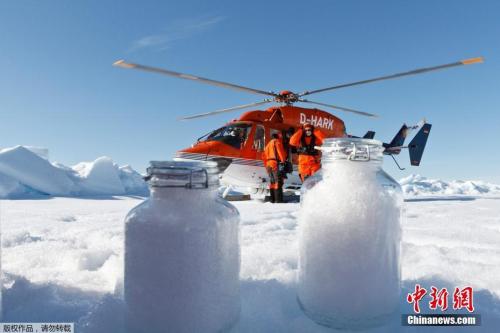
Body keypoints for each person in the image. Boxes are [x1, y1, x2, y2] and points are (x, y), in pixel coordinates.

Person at [264, 133, 287, 203]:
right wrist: (283, 161)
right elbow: (281, 152)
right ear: (277, 137)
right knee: (278, 182)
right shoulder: (276, 142)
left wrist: (266, 165)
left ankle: (272, 199)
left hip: (268, 164)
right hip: (275, 163)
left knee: (272, 182)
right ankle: (278, 200)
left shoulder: (267, 145)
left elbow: (263, 156)